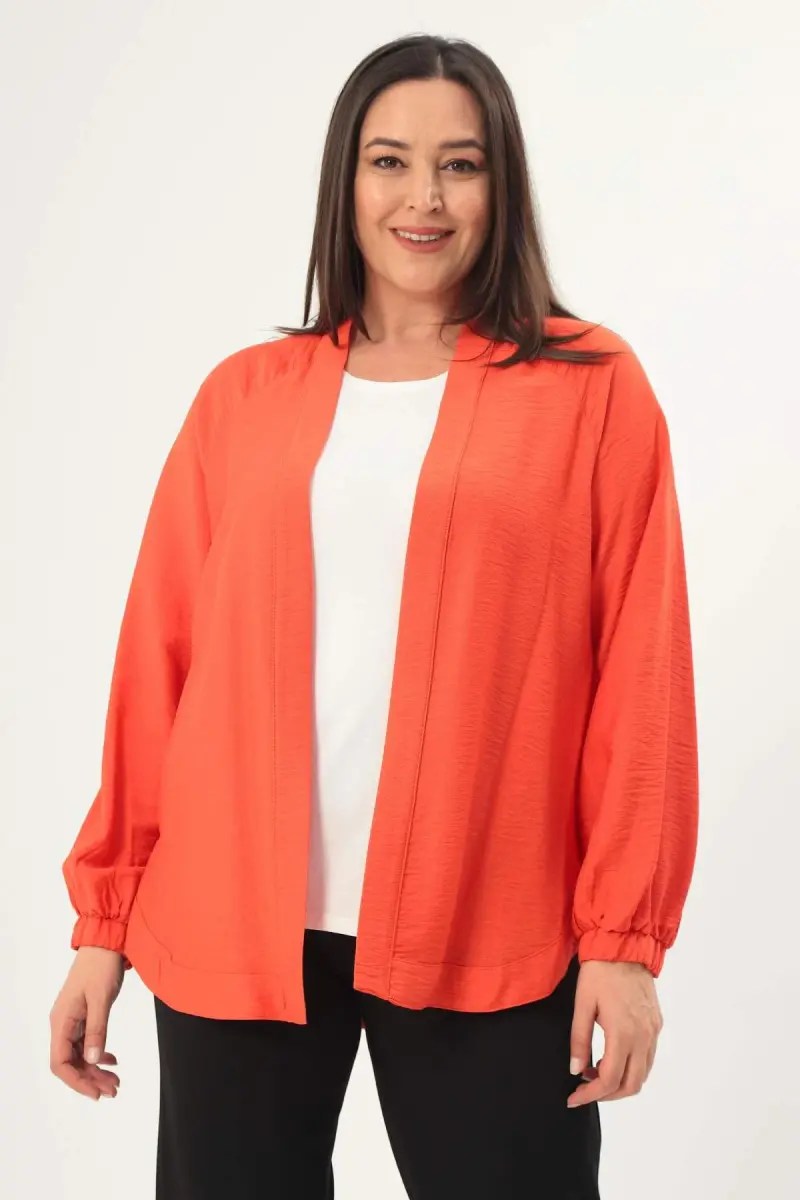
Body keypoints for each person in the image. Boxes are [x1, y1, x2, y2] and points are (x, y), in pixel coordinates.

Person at [49, 32, 699, 1200]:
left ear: (501, 184)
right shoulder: (244, 398)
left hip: (489, 925)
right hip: (230, 926)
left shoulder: (591, 388)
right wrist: (104, 921)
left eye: (460, 165)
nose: (422, 199)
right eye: (389, 161)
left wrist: (623, 943)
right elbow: (160, 668)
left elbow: (638, 679)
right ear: (343, 181)